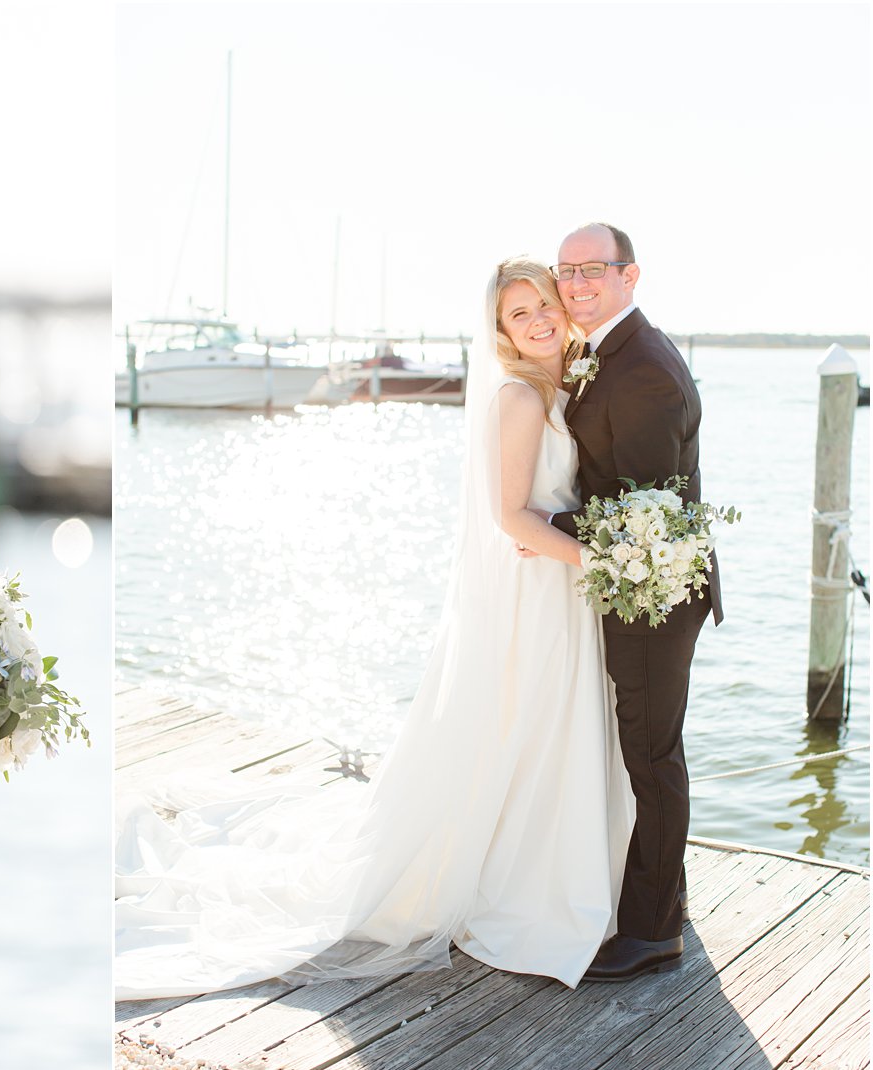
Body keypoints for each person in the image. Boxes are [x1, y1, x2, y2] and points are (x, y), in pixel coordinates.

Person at [114, 258, 633, 999]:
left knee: (548, 732)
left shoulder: (567, 384)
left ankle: (558, 860)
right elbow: (508, 514)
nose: (541, 319)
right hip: (538, 589)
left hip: (559, 588)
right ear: (500, 332)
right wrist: (598, 559)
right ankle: (519, 875)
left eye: (545, 303)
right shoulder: (518, 398)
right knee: (526, 724)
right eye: (520, 314)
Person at [545, 222, 722, 982]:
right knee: (650, 746)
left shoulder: (643, 366)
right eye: (565, 271)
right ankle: (665, 894)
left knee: (650, 754)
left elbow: (643, 516)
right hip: (640, 584)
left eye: (592, 269)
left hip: (653, 591)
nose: (576, 283)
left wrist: (546, 523)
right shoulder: (608, 351)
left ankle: (653, 930)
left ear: (630, 275)